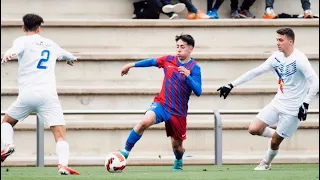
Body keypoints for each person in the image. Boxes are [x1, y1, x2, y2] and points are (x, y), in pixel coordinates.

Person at [217, 27, 319, 170]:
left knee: (275, 142)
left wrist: (306, 103)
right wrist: (231, 84)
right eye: (277, 40)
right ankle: (278, 135)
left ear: (290, 42)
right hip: (277, 103)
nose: (277, 43)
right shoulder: (276, 57)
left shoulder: (300, 59)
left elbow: (316, 82)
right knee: (254, 129)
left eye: (281, 40)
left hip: (293, 109)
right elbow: (255, 72)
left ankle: (265, 163)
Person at [1, 14, 80, 175]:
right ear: (39, 28)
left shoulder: (21, 41)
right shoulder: (51, 44)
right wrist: (71, 58)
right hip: (48, 96)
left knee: (7, 122)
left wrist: (8, 54)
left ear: (23, 28)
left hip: (27, 94)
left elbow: (15, 49)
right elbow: (67, 54)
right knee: (60, 134)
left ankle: (8, 144)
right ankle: (62, 165)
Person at [119, 34, 202, 171]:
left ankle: (178, 159)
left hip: (178, 112)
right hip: (162, 104)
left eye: (182, 47)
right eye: (177, 47)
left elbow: (198, 91)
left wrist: (188, 77)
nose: (179, 50)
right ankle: (125, 152)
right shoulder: (168, 60)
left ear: (191, 49)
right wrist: (131, 65)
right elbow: (151, 61)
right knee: (144, 122)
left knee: (177, 147)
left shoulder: (194, 68)